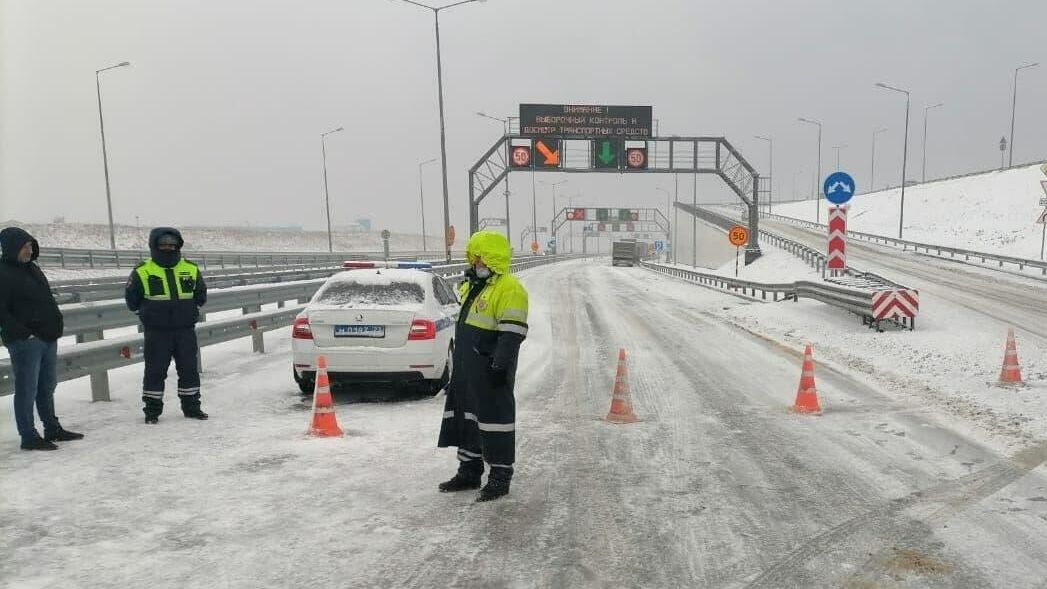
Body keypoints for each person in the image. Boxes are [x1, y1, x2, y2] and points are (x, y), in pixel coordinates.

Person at [437, 230, 529, 502]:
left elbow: (512, 333)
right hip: (467, 370)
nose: (474, 264)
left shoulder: (509, 288)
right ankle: (469, 471)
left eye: (479, 260)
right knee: (466, 419)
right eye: (473, 259)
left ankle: (500, 478)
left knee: (495, 423)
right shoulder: (473, 286)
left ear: (492, 260)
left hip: (490, 370)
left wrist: (498, 366)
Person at [0, 227, 83, 450]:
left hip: (47, 336)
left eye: (30, 246)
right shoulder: (3, 273)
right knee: (27, 389)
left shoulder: (33, 269)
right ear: (11, 248)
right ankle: (28, 435)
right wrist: (24, 334)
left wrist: (55, 323)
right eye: (24, 247)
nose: (29, 250)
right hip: (25, 342)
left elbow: (45, 299)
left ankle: (52, 428)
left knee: (47, 385)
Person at [125, 227, 208, 424]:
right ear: (154, 246)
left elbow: (201, 296)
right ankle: (152, 412)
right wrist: (150, 314)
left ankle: (192, 407)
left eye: (173, 245)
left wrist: (187, 311)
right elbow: (132, 300)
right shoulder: (142, 271)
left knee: (189, 369)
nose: (169, 248)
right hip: (157, 332)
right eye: (164, 245)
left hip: (185, 330)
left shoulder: (190, 268)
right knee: (155, 371)